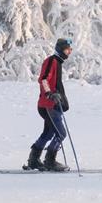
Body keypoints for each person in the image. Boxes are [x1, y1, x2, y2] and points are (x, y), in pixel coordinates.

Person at [25, 38, 73, 172]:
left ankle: (34, 160)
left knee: (49, 132)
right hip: (49, 104)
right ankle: (50, 161)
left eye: (70, 50)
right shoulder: (52, 61)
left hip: (50, 104)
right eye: (67, 49)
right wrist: (49, 94)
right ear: (60, 50)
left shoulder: (57, 62)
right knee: (61, 133)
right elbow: (44, 79)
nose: (69, 52)